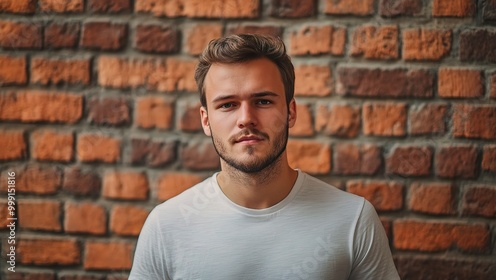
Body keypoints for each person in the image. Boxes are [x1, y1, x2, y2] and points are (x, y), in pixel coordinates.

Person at [129, 34, 400, 280]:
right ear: (206, 120)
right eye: (227, 105)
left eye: (263, 101)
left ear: (291, 112)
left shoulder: (353, 219)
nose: (246, 119)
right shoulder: (166, 226)